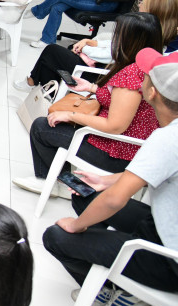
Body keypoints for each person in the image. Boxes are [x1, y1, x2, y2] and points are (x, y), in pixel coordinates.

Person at [43, 48, 178, 306]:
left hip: (169, 260)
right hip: (160, 225)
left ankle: (112, 292)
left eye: (145, 75)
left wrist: (76, 225)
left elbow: (115, 201)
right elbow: (157, 171)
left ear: (152, 92)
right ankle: (118, 278)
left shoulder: (168, 139)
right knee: (87, 196)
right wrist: (105, 182)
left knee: (57, 237)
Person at [12, 12, 163, 196]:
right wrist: (91, 87)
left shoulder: (131, 75)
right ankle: (59, 179)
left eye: (119, 34)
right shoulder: (152, 65)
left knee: (41, 128)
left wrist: (71, 115)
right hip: (129, 148)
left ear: (131, 40)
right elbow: (121, 102)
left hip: (116, 153)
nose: (115, 39)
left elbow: (115, 126)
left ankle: (53, 182)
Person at [17, 0, 178, 90]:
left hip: (101, 75)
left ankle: (33, 82)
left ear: (152, 8)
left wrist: (85, 47)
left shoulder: (141, 31)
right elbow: (115, 45)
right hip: (106, 68)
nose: (140, 3)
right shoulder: (157, 34)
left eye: (144, 1)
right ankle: (46, 88)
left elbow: (111, 54)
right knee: (59, 54)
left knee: (51, 51)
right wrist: (90, 42)